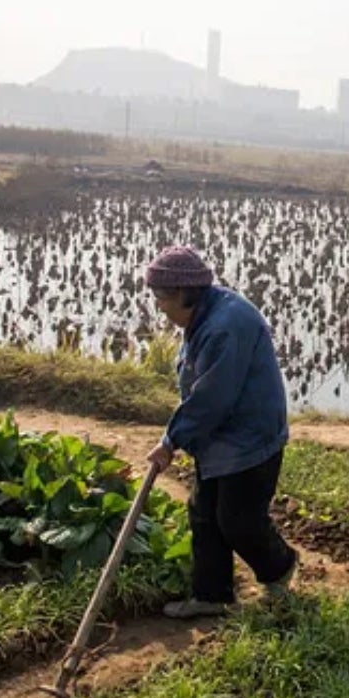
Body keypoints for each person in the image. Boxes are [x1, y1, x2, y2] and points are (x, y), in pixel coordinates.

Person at [143, 245, 298, 618]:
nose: (159, 306)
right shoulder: (204, 313)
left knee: (238, 520)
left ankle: (280, 567)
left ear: (184, 293)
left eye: (162, 297)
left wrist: (170, 441)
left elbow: (211, 398)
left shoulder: (226, 327)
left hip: (249, 439)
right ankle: (212, 596)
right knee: (204, 513)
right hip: (219, 437)